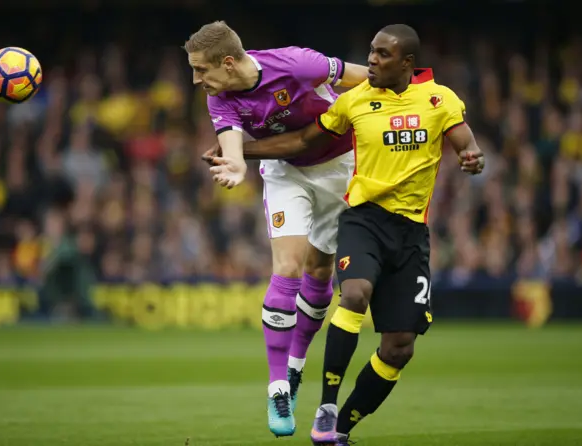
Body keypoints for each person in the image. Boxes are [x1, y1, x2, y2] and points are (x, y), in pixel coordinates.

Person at [208, 24, 485, 445]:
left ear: (406, 62)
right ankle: (294, 391)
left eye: (382, 54)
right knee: (324, 281)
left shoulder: (435, 98)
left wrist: (470, 154)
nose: (372, 60)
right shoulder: (352, 101)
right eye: (371, 53)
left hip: (380, 203)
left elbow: (462, 138)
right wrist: (236, 156)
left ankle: (323, 404)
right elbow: (297, 140)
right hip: (329, 196)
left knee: (380, 329)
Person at [183, 21, 369, 437]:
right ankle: (278, 386)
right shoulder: (220, 98)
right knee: (287, 268)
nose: (197, 80)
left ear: (227, 63)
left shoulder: (298, 64)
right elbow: (232, 144)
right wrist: (233, 164)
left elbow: (367, 79)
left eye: (201, 70)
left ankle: (297, 366)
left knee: (321, 274)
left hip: (342, 169)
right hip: (287, 174)